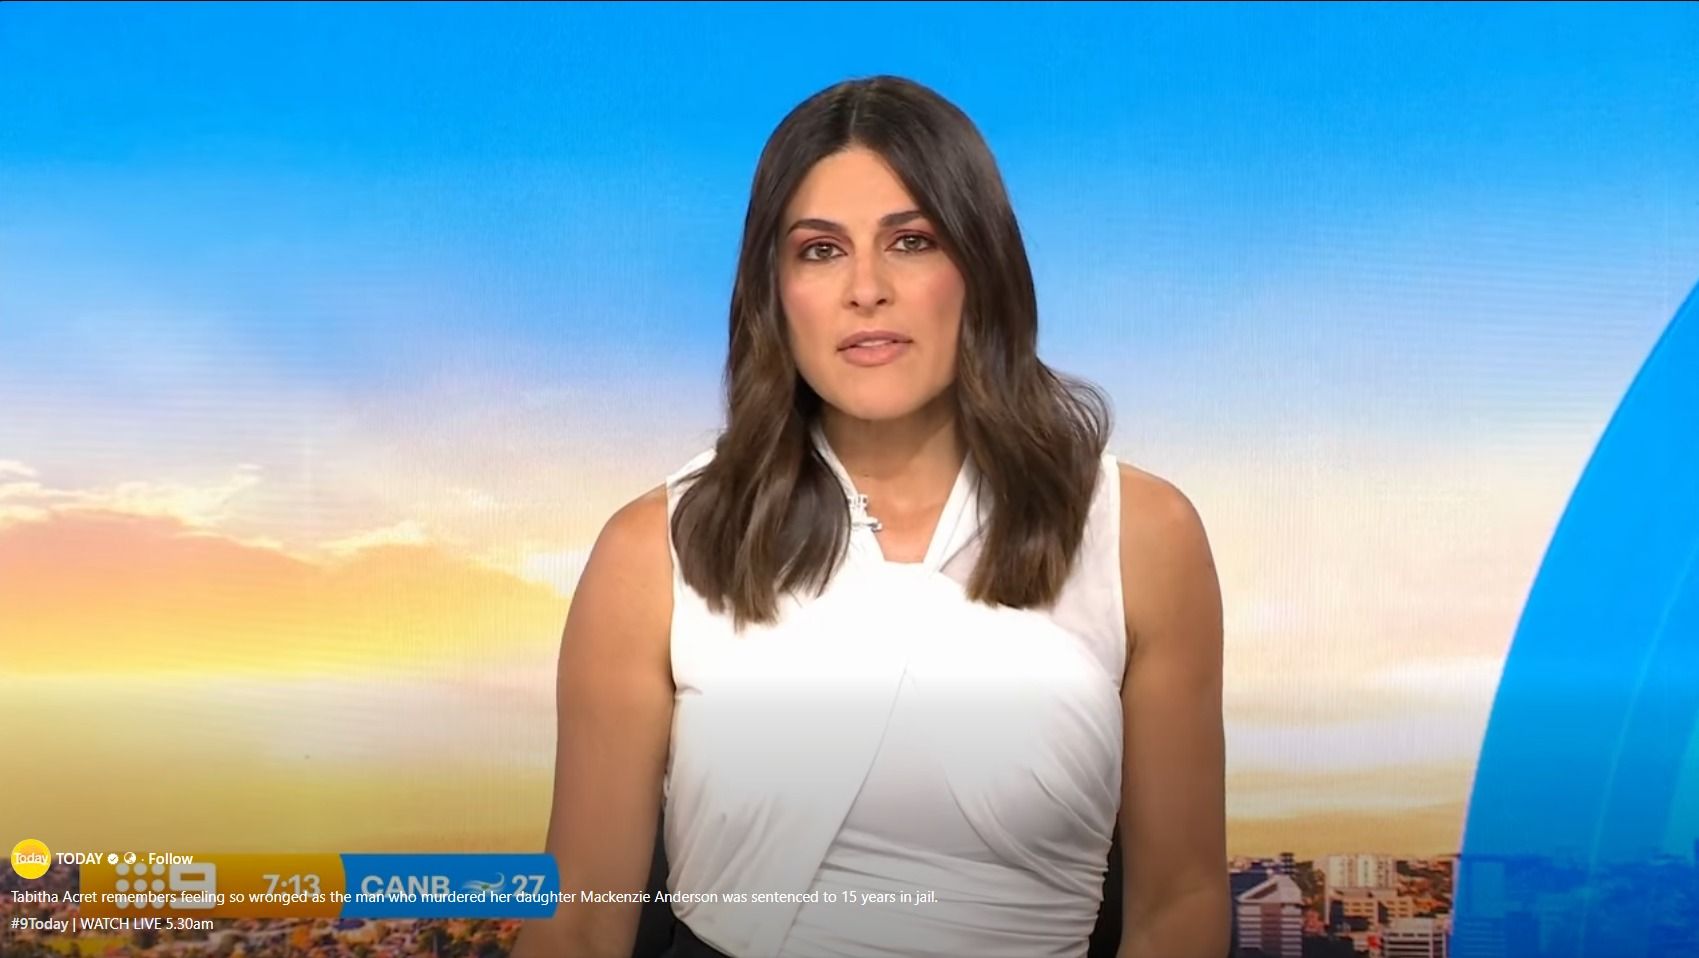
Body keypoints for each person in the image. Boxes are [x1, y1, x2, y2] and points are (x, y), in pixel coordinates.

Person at [513, 74, 1228, 958]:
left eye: (911, 241)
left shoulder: (1142, 536)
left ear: (982, 269)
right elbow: (579, 925)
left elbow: (1181, 903)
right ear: (773, 290)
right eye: (820, 250)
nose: (865, 288)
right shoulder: (649, 553)